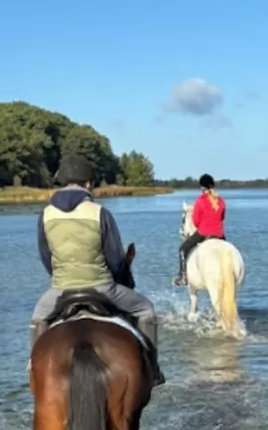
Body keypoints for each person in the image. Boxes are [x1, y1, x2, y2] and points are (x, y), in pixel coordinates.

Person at [29, 154, 166, 387]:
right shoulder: (100, 213)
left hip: (61, 290)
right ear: (88, 183)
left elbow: (46, 257)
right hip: (103, 288)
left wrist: (61, 279)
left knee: (38, 319)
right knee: (146, 311)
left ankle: (35, 378)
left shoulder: (45, 215)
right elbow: (114, 258)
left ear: (61, 182)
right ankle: (152, 371)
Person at [173, 173, 225, 287]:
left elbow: (195, 221)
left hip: (203, 233)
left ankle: (183, 277)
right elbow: (222, 217)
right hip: (220, 235)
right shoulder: (221, 201)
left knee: (182, 249)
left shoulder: (200, 201)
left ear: (202, 187)